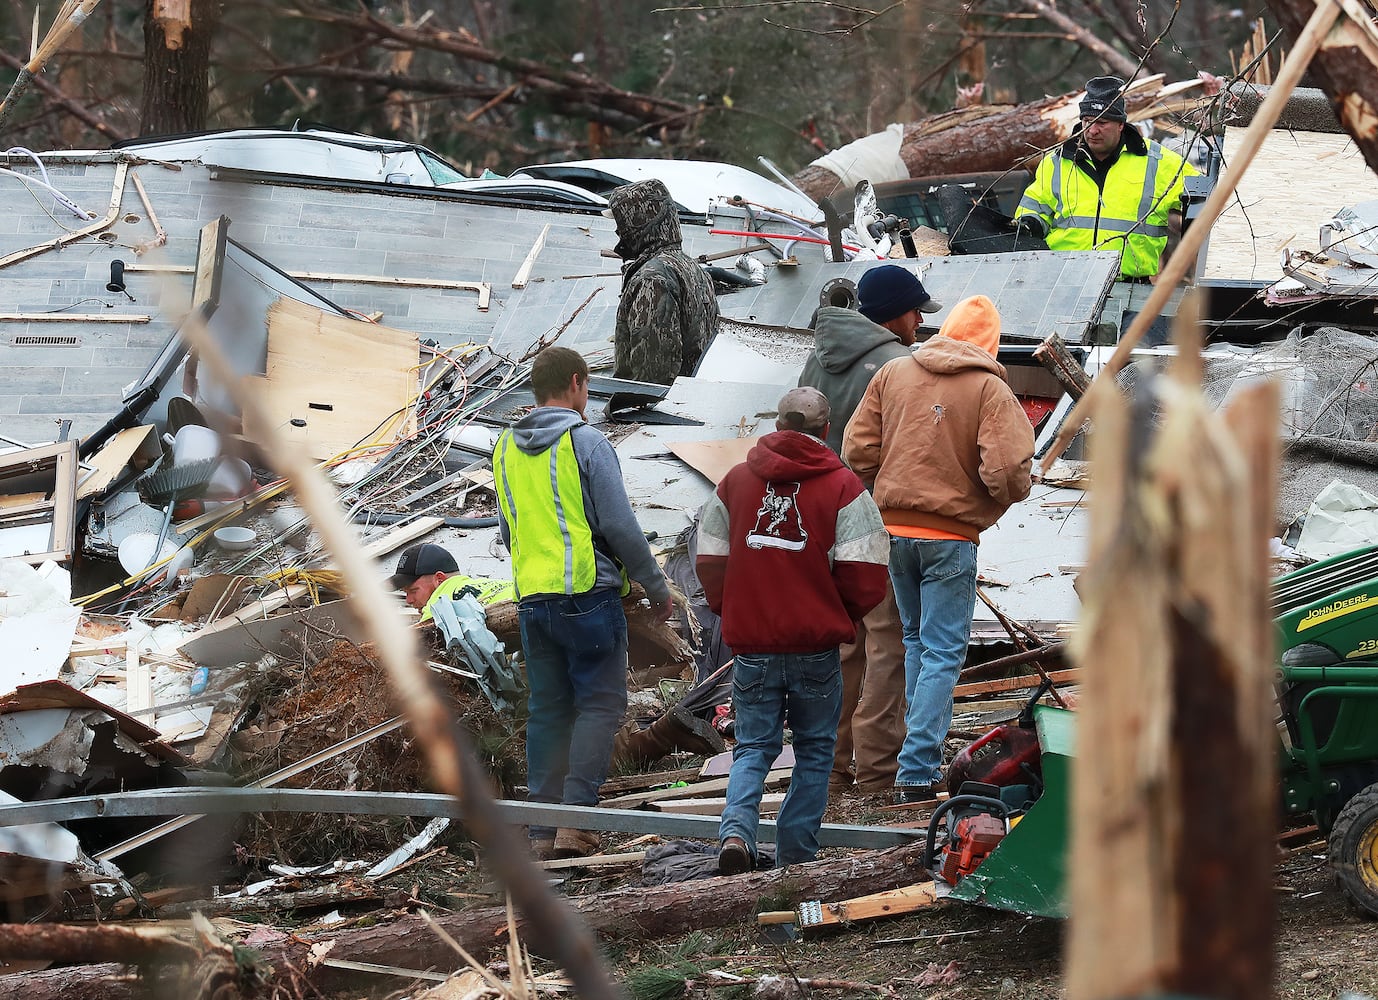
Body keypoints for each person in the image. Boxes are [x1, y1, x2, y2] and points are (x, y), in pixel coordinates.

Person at [843, 296, 1033, 803]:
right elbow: (1008, 470)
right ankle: (917, 771)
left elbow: (857, 452)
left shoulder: (893, 374)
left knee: (914, 645)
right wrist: (990, 503)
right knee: (943, 654)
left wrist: (884, 500)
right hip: (948, 540)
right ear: (990, 343)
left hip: (893, 536)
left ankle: (913, 756)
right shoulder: (991, 389)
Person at [697, 387, 889, 873]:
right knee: (815, 750)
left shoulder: (736, 483)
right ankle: (796, 856)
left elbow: (710, 559)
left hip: (754, 647)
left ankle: (737, 831)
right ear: (827, 430)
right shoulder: (845, 489)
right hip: (815, 648)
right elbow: (867, 574)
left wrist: (735, 610)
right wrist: (836, 615)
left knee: (755, 746)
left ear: (778, 425)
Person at [492, 346, 673, 859]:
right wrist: (655, 587)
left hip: (532, 601)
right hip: (588, 598)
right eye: (589, 389)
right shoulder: (587, 442)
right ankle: (577, 824)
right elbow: (619, 524)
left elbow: (509, 531)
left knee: (548, 710)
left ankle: (541, 832)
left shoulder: (504, 448)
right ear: (575, 383)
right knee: (599, 706)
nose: (588, 399)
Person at [799, 264, 942, 797]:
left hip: (819, 521)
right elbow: (902, 454)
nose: (919, 324)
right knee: (888, 643)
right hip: (874, 523)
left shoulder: (817, 357)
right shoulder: (898, 365)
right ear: (892, 316)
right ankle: (880, 769)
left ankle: (830, 767)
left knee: (840, 644)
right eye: (914, 313)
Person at [1013, 76, 1198, 282]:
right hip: (1062, 284)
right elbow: (1034, 209)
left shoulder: (1161, 163)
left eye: (1101, 122)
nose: (1092, 130)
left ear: (1120, 124)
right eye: (1087, 121)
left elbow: (1206, 203)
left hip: (1129, 290)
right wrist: (1028, 224)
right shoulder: (1056, 162)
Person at [607, 178, 719, 386]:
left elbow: (652, 372)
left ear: (637, 223)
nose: (617, 233)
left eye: (620, 224)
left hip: (657, 409)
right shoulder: (691, 267)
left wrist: (629, 405)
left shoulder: (652, 278)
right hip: (688, 400)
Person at [388, 542, 515, 621]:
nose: (408, 600)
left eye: (413, 591)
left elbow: (418, 644)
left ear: (439, 579)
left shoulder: (439, 603)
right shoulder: (489, 585)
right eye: (405, 593)